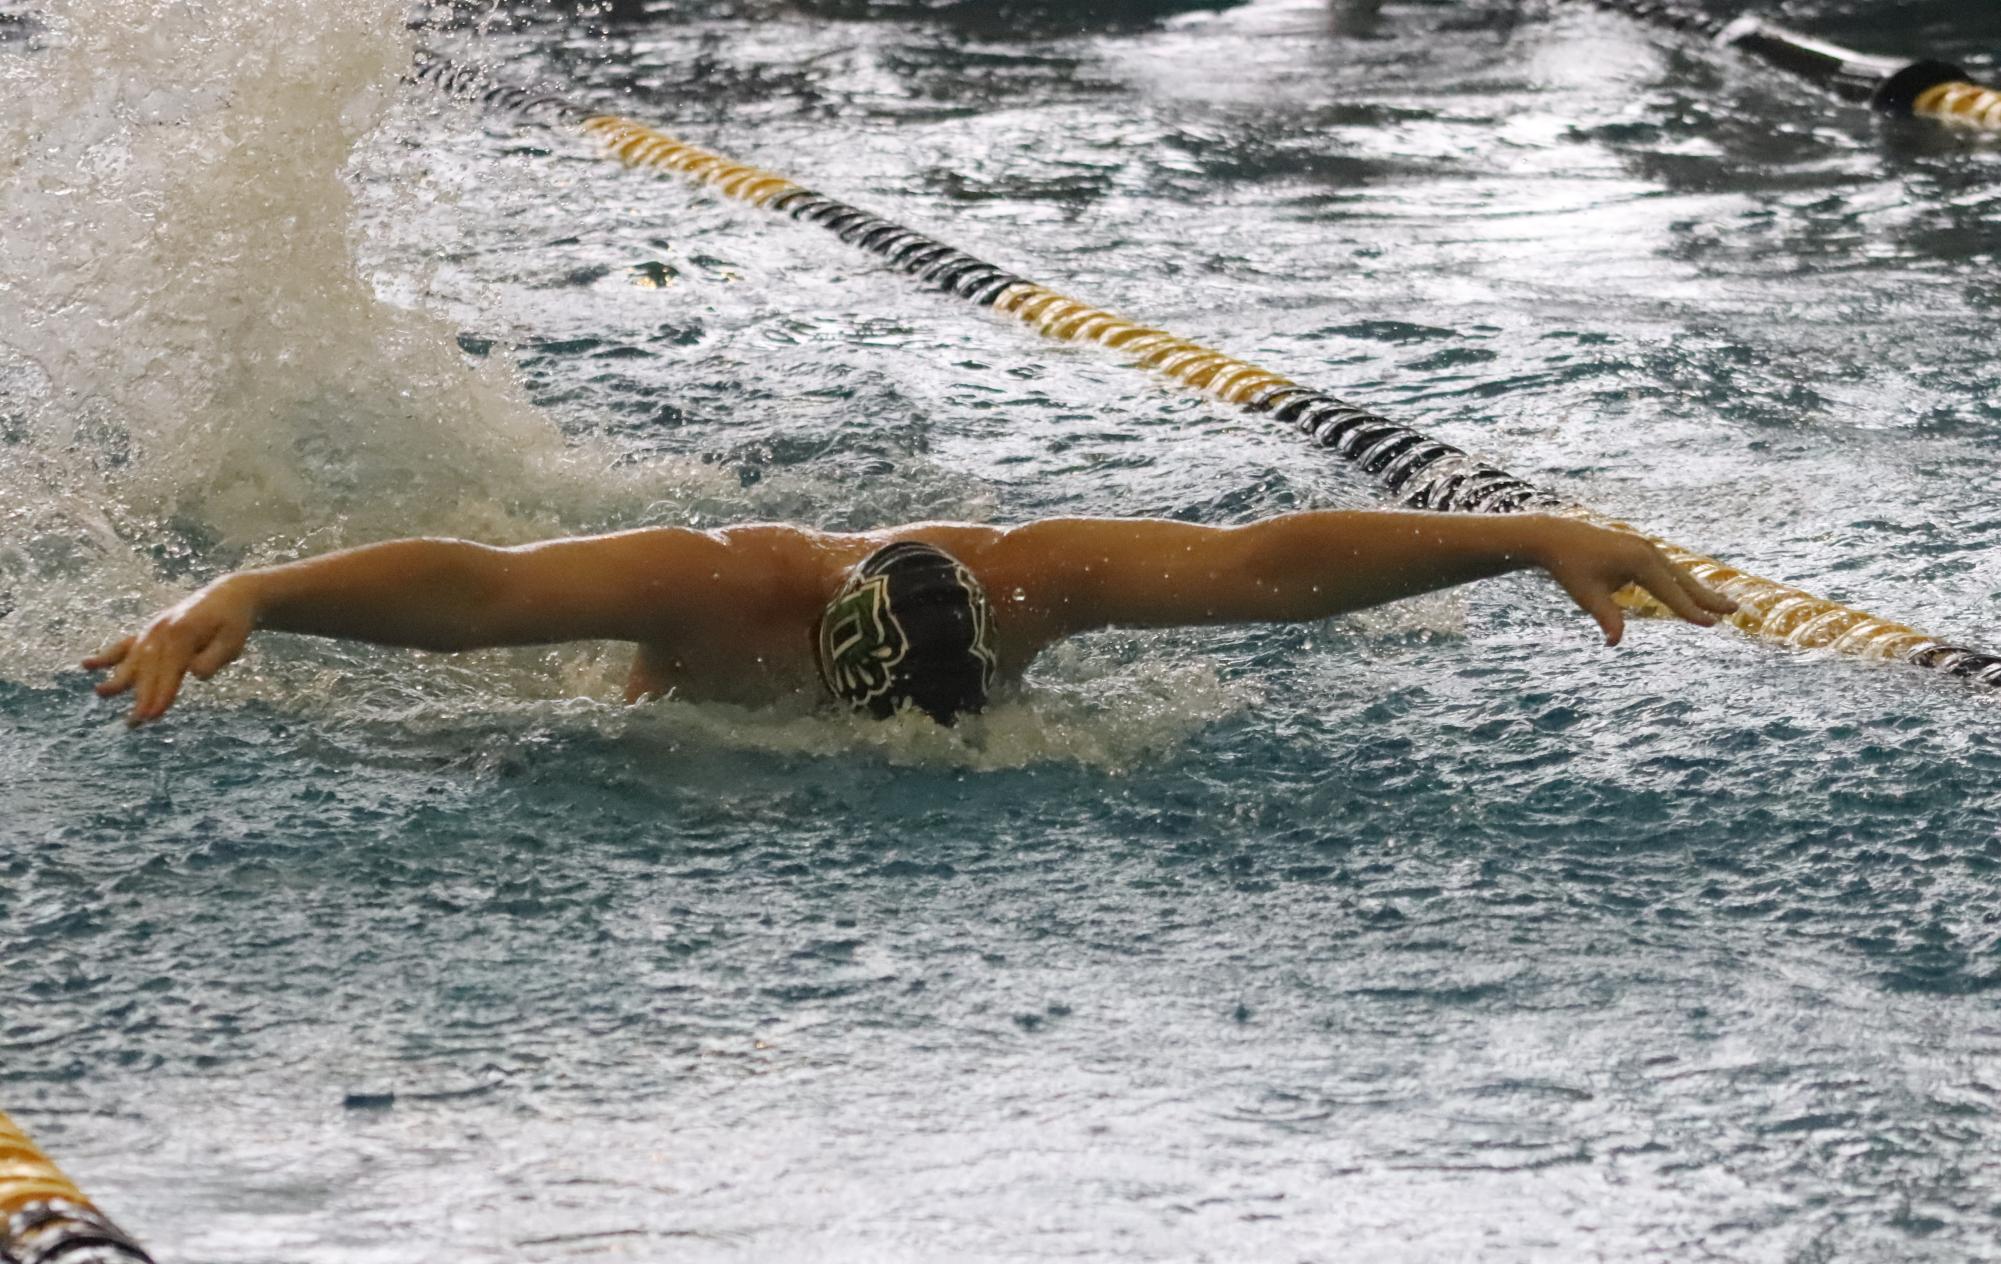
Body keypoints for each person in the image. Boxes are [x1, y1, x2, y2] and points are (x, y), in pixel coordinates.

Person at [84, 510, 1736, 726]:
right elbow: (482, 593)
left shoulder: (1023, 585)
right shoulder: (709, 583)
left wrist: (1528, 540)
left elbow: (1255, 569)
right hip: (656, 727)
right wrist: (254, 592)